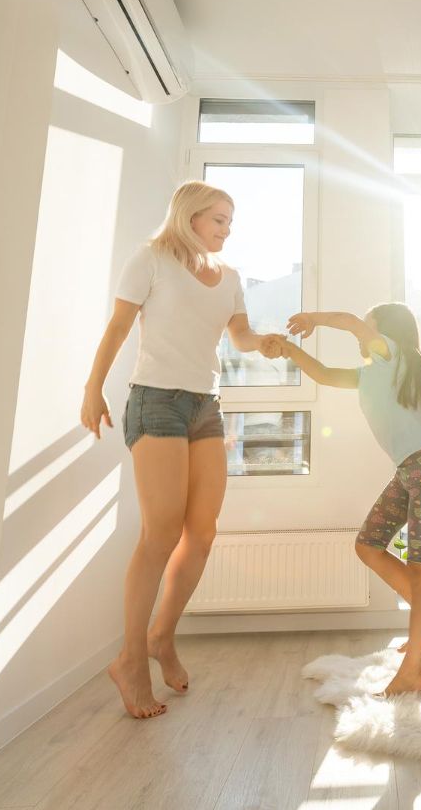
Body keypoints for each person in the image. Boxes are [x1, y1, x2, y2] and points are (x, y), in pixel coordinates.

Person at [80, 180, 281, 718]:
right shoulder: (150, 260)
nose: (226, 229)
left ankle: (160, 637)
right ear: (190, 217)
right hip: (157, 402)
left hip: (204, 406)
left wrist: (263, 342)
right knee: (161, 532)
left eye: (230, 222)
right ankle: (129, 660)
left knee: (203, 532)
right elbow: (119, 327)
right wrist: (92, 388)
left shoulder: (230, 278)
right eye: (219, 219)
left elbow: (238, 336)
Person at [274, 303, 421, 697]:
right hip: (409, 472)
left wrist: (312, 319)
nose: (361, 335)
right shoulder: (372, 374)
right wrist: (289, 350)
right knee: (368, 545)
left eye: (368, 328)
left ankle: (413, 671)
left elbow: (350, 323)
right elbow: (322, 374)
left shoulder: (394, 356)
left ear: (384, 332)